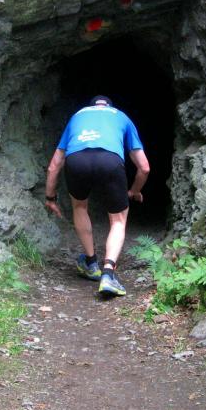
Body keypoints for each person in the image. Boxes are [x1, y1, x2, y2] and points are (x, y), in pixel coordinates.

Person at [44, 95, 150, 296]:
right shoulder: (121, 116)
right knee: (118, 220)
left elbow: (54, 165)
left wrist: (50, 198)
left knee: (79, 206)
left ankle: (91, 264)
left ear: (92, 106)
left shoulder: (77, 116)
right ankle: (108, 274)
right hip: (109, 159)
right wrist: (134, 191)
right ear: (109, 106)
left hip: (76, 160)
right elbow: (144, 167)